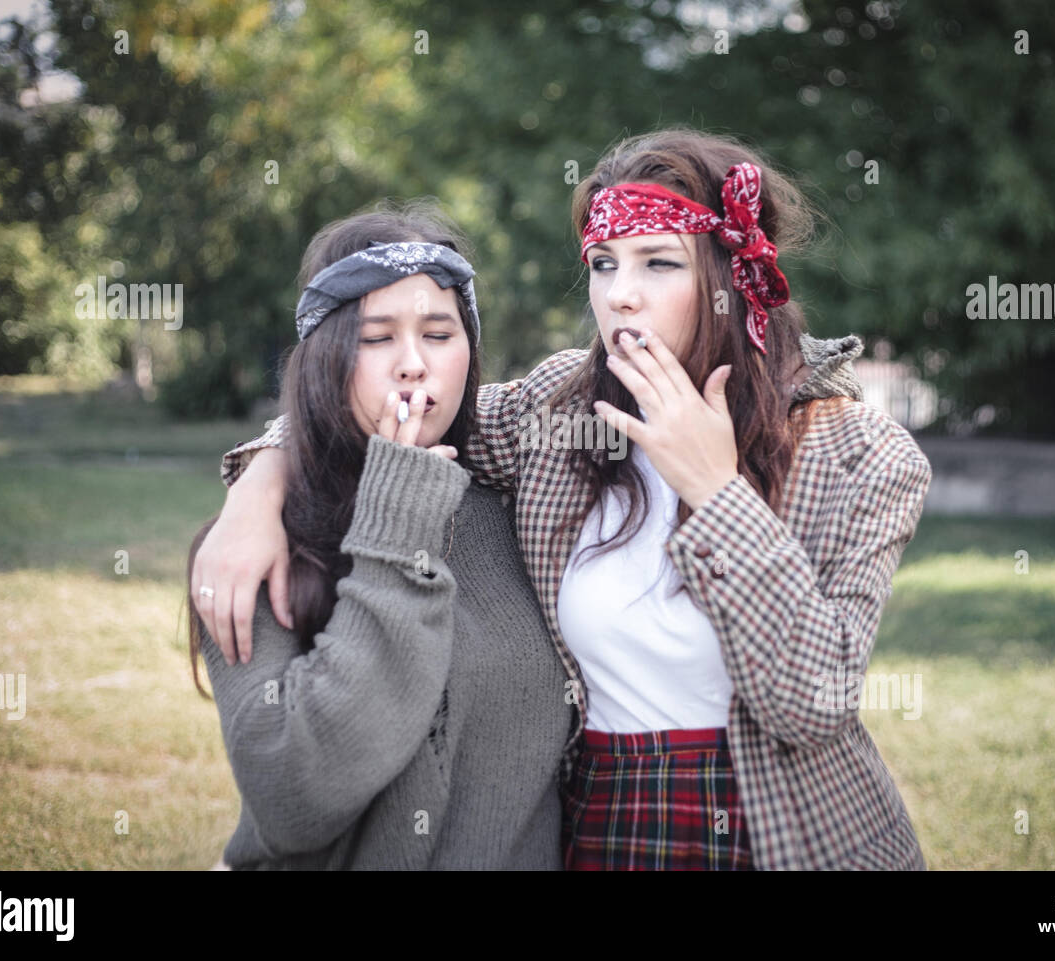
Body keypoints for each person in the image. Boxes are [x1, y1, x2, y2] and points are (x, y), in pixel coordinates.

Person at [202, 128, 932, 870]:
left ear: (731, 277)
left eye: (659, 262)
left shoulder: (860, 457)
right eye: (604, 263)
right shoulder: (560, 412)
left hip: (791, 839)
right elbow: (399, 406)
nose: (620, 293)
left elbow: (812, 702)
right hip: (604, 829)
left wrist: (716, 493)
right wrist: (263, 477)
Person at [186, 202, 574, 869]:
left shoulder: (524, 499)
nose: (413, 364)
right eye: (376, 336)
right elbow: (293, 798)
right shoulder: (255, 542)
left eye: (439, 332)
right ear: (326, 357)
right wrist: (396, 521)